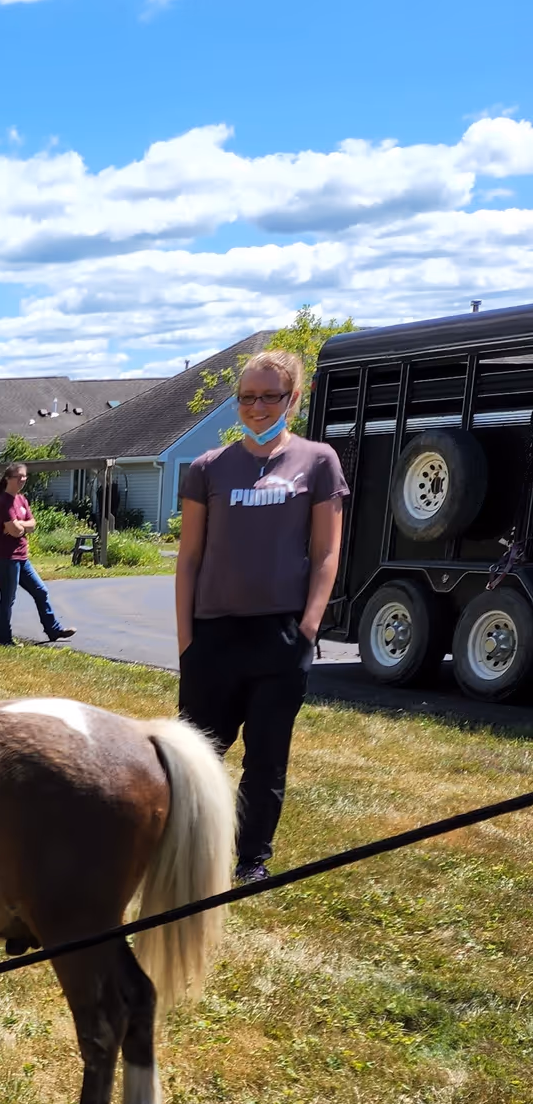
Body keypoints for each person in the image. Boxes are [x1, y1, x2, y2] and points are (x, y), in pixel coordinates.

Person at [175, 348, 346, 884]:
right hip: (214, 636)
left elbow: (326, 553)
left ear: (293, 399)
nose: (256, 407)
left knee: (266, 760)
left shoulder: (318, 463)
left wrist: (308, 629)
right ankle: (181, 857)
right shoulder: (208, 468)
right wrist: (188, 641)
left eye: (268, 396)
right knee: (195, 761)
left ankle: (251, 861)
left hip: (280, 636)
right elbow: (190, 559)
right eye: (247, 397)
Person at [0, 463, 74, 646]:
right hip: (5, 557)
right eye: (19, 477)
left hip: (21, 556)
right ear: (8, 479)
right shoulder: (3, 501)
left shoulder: (22, 500)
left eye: (24, 476)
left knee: (40, 590)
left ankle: (53, 630)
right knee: (8, 598)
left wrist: (21, 524)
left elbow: (31, 525)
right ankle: (3, 638)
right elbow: (14, 530)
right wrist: (20, 526)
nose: (22, 480)